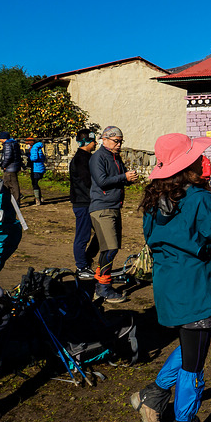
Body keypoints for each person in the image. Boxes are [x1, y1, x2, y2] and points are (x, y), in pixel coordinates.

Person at [131, 133, 211, 422]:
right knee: (195, 363)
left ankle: (153, 395)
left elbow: (154, 239)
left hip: (168, 286)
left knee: (191, 344)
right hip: (195, 288)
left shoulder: (153, 202)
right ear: (189, 164)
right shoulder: (199, 199)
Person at [89, 126, 138, 302]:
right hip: (101, 207)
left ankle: (99, 282)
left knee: (110, 248)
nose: (118, 144)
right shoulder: (98, 157)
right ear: (104, 139)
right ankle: (103, 287)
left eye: (120, 141)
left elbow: (118, 180)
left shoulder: (115, 157)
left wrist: (129, 179)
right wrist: (124, 177)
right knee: (110, 248)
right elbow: (102, 181)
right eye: (116, 141)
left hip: (114, 206)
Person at [69, 129, 99, 275]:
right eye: (94, 141)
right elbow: (88, 181)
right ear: (87, 141)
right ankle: (81, 267)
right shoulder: (81, 159)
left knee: (101, 233)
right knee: (83, 236)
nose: (96, 143)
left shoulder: (87, 157)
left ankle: (86, 260)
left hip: (89, 201)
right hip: (83, 203)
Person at [0, 131, 21, 203]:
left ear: (3, 138)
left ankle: (15, 202)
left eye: (0, 138)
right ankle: (12, 201)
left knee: (10, 185)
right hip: (13, 167)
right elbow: (4, 157)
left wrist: (4, 166)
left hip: (10, 168)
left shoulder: (7, 144)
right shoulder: (13, 143)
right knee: (11, 184)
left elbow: (8, 157)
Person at [27, 138, 46, 205]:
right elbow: (43, 158)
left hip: (36, 168)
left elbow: (34, 158)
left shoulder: (34, 148)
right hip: (40, 167)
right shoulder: (39, 148)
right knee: (36, 183)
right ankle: (39, 197)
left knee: (35, 183)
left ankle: (37, 199)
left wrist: (29, 156)